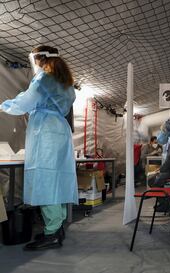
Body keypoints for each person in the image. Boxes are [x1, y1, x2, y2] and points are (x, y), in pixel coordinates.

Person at [0, 45, 78, 250]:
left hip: (46, 133)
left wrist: (3, 105)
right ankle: (58, 226)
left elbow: (26, 101)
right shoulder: (65, 82)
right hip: (60, 130)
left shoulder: (44, 78)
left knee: (46, 180)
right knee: (57, 180)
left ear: (40, 59)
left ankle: (52, 233)